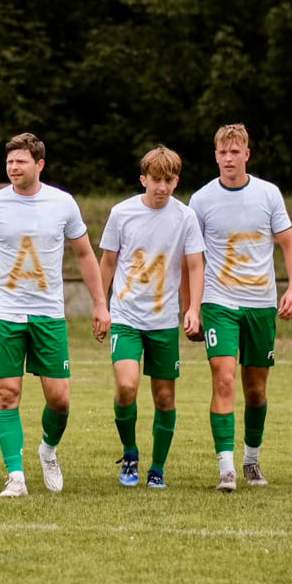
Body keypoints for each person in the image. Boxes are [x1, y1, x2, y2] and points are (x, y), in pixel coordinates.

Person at [0, 133, 110, 498]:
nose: (13, 167)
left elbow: (86, 255)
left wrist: (101, 303)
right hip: (6, 314)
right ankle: (16, 476)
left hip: (48, 315)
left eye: (20, 161)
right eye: (9, 161)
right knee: (8, 394)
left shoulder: (62, 203)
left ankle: (48, 450)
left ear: (39, 164)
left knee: (60, 400)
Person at [188, 123, 292, 491]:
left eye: (234, 152)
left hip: (261, 305)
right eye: (222, 152)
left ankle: (252, 460)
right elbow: (191, 260)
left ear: (246, 155)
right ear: (215, 155)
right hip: (219, 302)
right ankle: (226, 467)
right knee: (223, 379)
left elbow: (289, 245)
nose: (228, 158)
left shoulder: (268, 195)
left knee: (255, 389)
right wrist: (191, 308)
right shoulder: (202, 200)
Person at [97, 146, 203, 490]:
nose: (162, 187)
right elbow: (108, 262)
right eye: (156, 179)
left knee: (164, 398)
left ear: (177, 181)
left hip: (163, 322)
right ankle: (130, 452)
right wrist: (101, 306)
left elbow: (195, 265)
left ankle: (157, 468)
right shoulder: (121, 213)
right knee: (127, 386)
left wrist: (193, 308)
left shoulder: (185, 217)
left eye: (169, 180)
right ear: (143, 179)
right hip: (127, 317)